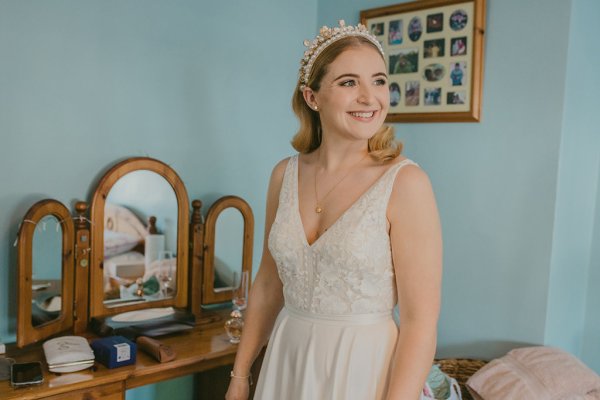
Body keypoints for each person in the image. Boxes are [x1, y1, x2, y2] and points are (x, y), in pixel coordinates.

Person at [225, 20, 442, 400]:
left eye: (378, 81)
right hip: (287, 360)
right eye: (348, 83)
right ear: (312, 97)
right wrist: (240, 375)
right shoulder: (284, 175)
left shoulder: (406, 184)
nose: (369, 97)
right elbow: (267, 284)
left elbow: (420, 324)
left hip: (363, 369)